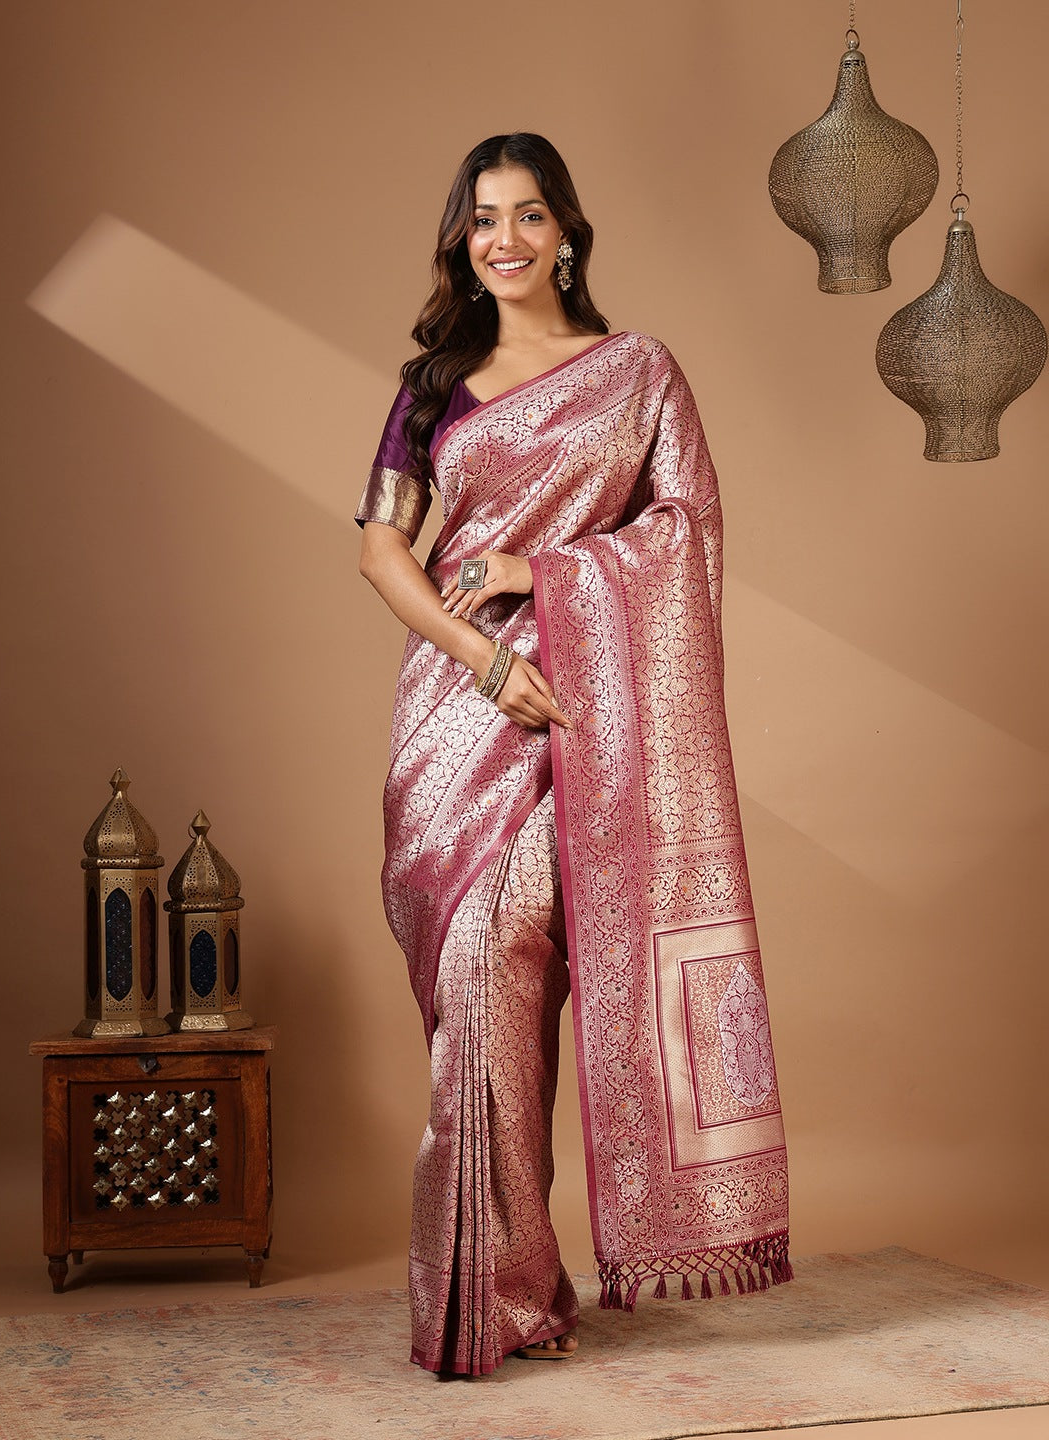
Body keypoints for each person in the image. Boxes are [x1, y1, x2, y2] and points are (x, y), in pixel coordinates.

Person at [357, 133, 791, 1378]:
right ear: (464, 242)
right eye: (484, 219)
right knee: (477, 996)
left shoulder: (637, 373)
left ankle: (490, 1292)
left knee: (517, 963)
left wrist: (537, 570)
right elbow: (380, 550)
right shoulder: (434, 385)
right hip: (459, 715)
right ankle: (508, 1289)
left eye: (529, 215)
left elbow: (687, 531)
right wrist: (482, 657)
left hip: (591, 718)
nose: (506, 239)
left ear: (566, 234)